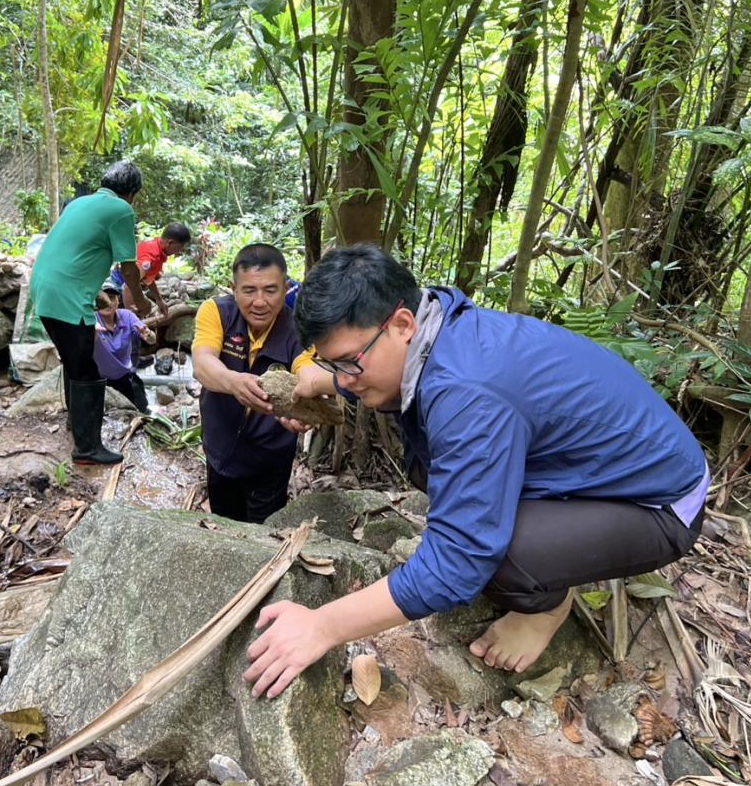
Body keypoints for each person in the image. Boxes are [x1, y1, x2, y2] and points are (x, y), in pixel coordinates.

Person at [242, 244, 709, 699]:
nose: (345, 378)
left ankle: (546, 607)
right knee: (438, 474)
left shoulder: (469, 392)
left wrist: (322, 626)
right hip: (593, 473)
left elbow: (458, 561)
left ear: (402, 323)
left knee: (498, 553)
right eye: (334, 364)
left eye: (350, 363)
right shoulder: (440, 328)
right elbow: (387, 368)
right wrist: (325, 381)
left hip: (658, 503)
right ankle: (555, 551)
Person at [192, 243, 334, 523]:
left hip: (270, 459)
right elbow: (202, 363)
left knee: (264, 531)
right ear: (234, 288)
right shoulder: (216, 312)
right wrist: (233, 382)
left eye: (270, 290)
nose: (260, 302)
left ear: (285, 288)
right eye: (249, 290)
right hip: (219, 449)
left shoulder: (299, 329)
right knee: (224, 525)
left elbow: (307, 369)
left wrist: (313, 398)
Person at [29, 161, 149, 466]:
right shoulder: (121, 210)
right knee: (87, 371)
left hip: (44, 289)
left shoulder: (79, 203)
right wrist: (141, 300)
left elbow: (75, 254)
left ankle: (77, 424)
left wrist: (96, 294)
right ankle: (87, 448)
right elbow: (128, 267)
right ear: (132, 193)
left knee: (74, 362)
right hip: (67, 298)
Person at [93, 288, 154, 413]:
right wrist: (92, 335)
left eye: (111, 297)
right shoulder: (91, 320)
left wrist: (149, 336)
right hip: (98, 379)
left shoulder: (127, 316)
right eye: (102, 299)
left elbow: (152, 339)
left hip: (124, 375)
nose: (107, 303)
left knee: (141, 408)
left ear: (118, 300)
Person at [111, 222, 191, 316]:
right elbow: (128, 286)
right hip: (116, 287)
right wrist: (131, 317)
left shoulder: (157, 250)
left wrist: (159, 299)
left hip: (125, 287)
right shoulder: (151, 256)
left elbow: (148, 278)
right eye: (180, 247)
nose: (179, 251)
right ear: (170, 243)